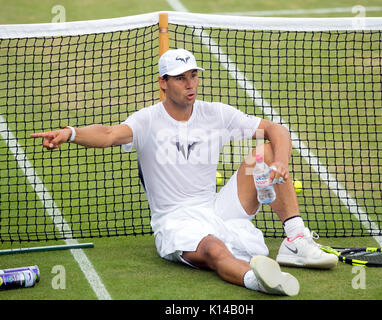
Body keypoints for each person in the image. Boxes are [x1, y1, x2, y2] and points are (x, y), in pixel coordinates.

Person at [31, 48, 337, 296]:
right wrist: (70, 133)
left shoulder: (214, 112)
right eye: (180, 78)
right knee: (214, 249)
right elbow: (110, 134)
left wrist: (280, 162)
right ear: (163, 82)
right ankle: (258, 281)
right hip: (175, 220)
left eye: (193, 76)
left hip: (216, 207)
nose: (190, 84)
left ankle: (295, 240)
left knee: (265, 150)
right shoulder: (148, 120)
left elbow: (275, 128)